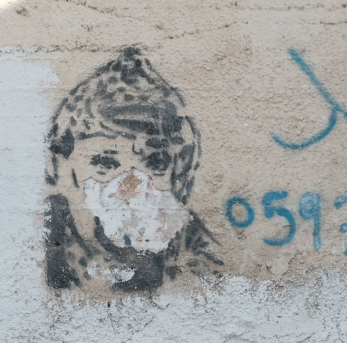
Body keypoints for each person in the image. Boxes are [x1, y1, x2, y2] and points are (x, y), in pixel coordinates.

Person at [44, 47, 221, 293]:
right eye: (105, 165)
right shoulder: (40, 243)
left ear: (182, 168)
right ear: (59, 166)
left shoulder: (193, 253)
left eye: (155, 163)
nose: (131, 187)